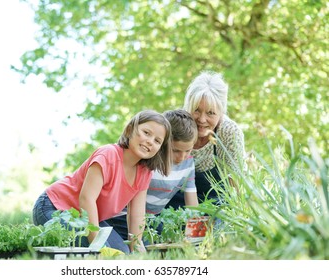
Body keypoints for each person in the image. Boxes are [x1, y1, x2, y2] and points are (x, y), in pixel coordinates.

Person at [32, 110, 173, 254]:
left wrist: (137, 246)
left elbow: (136, 214)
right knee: (104, 252)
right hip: (55, 207)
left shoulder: (145, 171)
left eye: (157, 141)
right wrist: (97, 245)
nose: (150, 141)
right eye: (146, 133)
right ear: (130, 129)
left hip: (85, 214)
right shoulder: (108, 155)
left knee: (122, 252)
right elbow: (87, 198)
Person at [106, 109, 199, 240]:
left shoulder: (188, 162)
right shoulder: (148, 160)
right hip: (124, 217)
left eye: (188, 150)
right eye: (175, 150)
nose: (182, 157)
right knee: (147, 247)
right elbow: (133, 209)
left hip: (152, 220)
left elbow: (192, 205)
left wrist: (196, 238)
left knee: (169, 245)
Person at [166, 71, 246, 209]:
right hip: (174, 204)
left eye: (210, 113)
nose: (202, 120)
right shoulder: (175, 124)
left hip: (215, 206)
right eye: (196, 110)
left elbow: (237, 183)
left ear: (221, 112)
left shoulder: (228, 132)